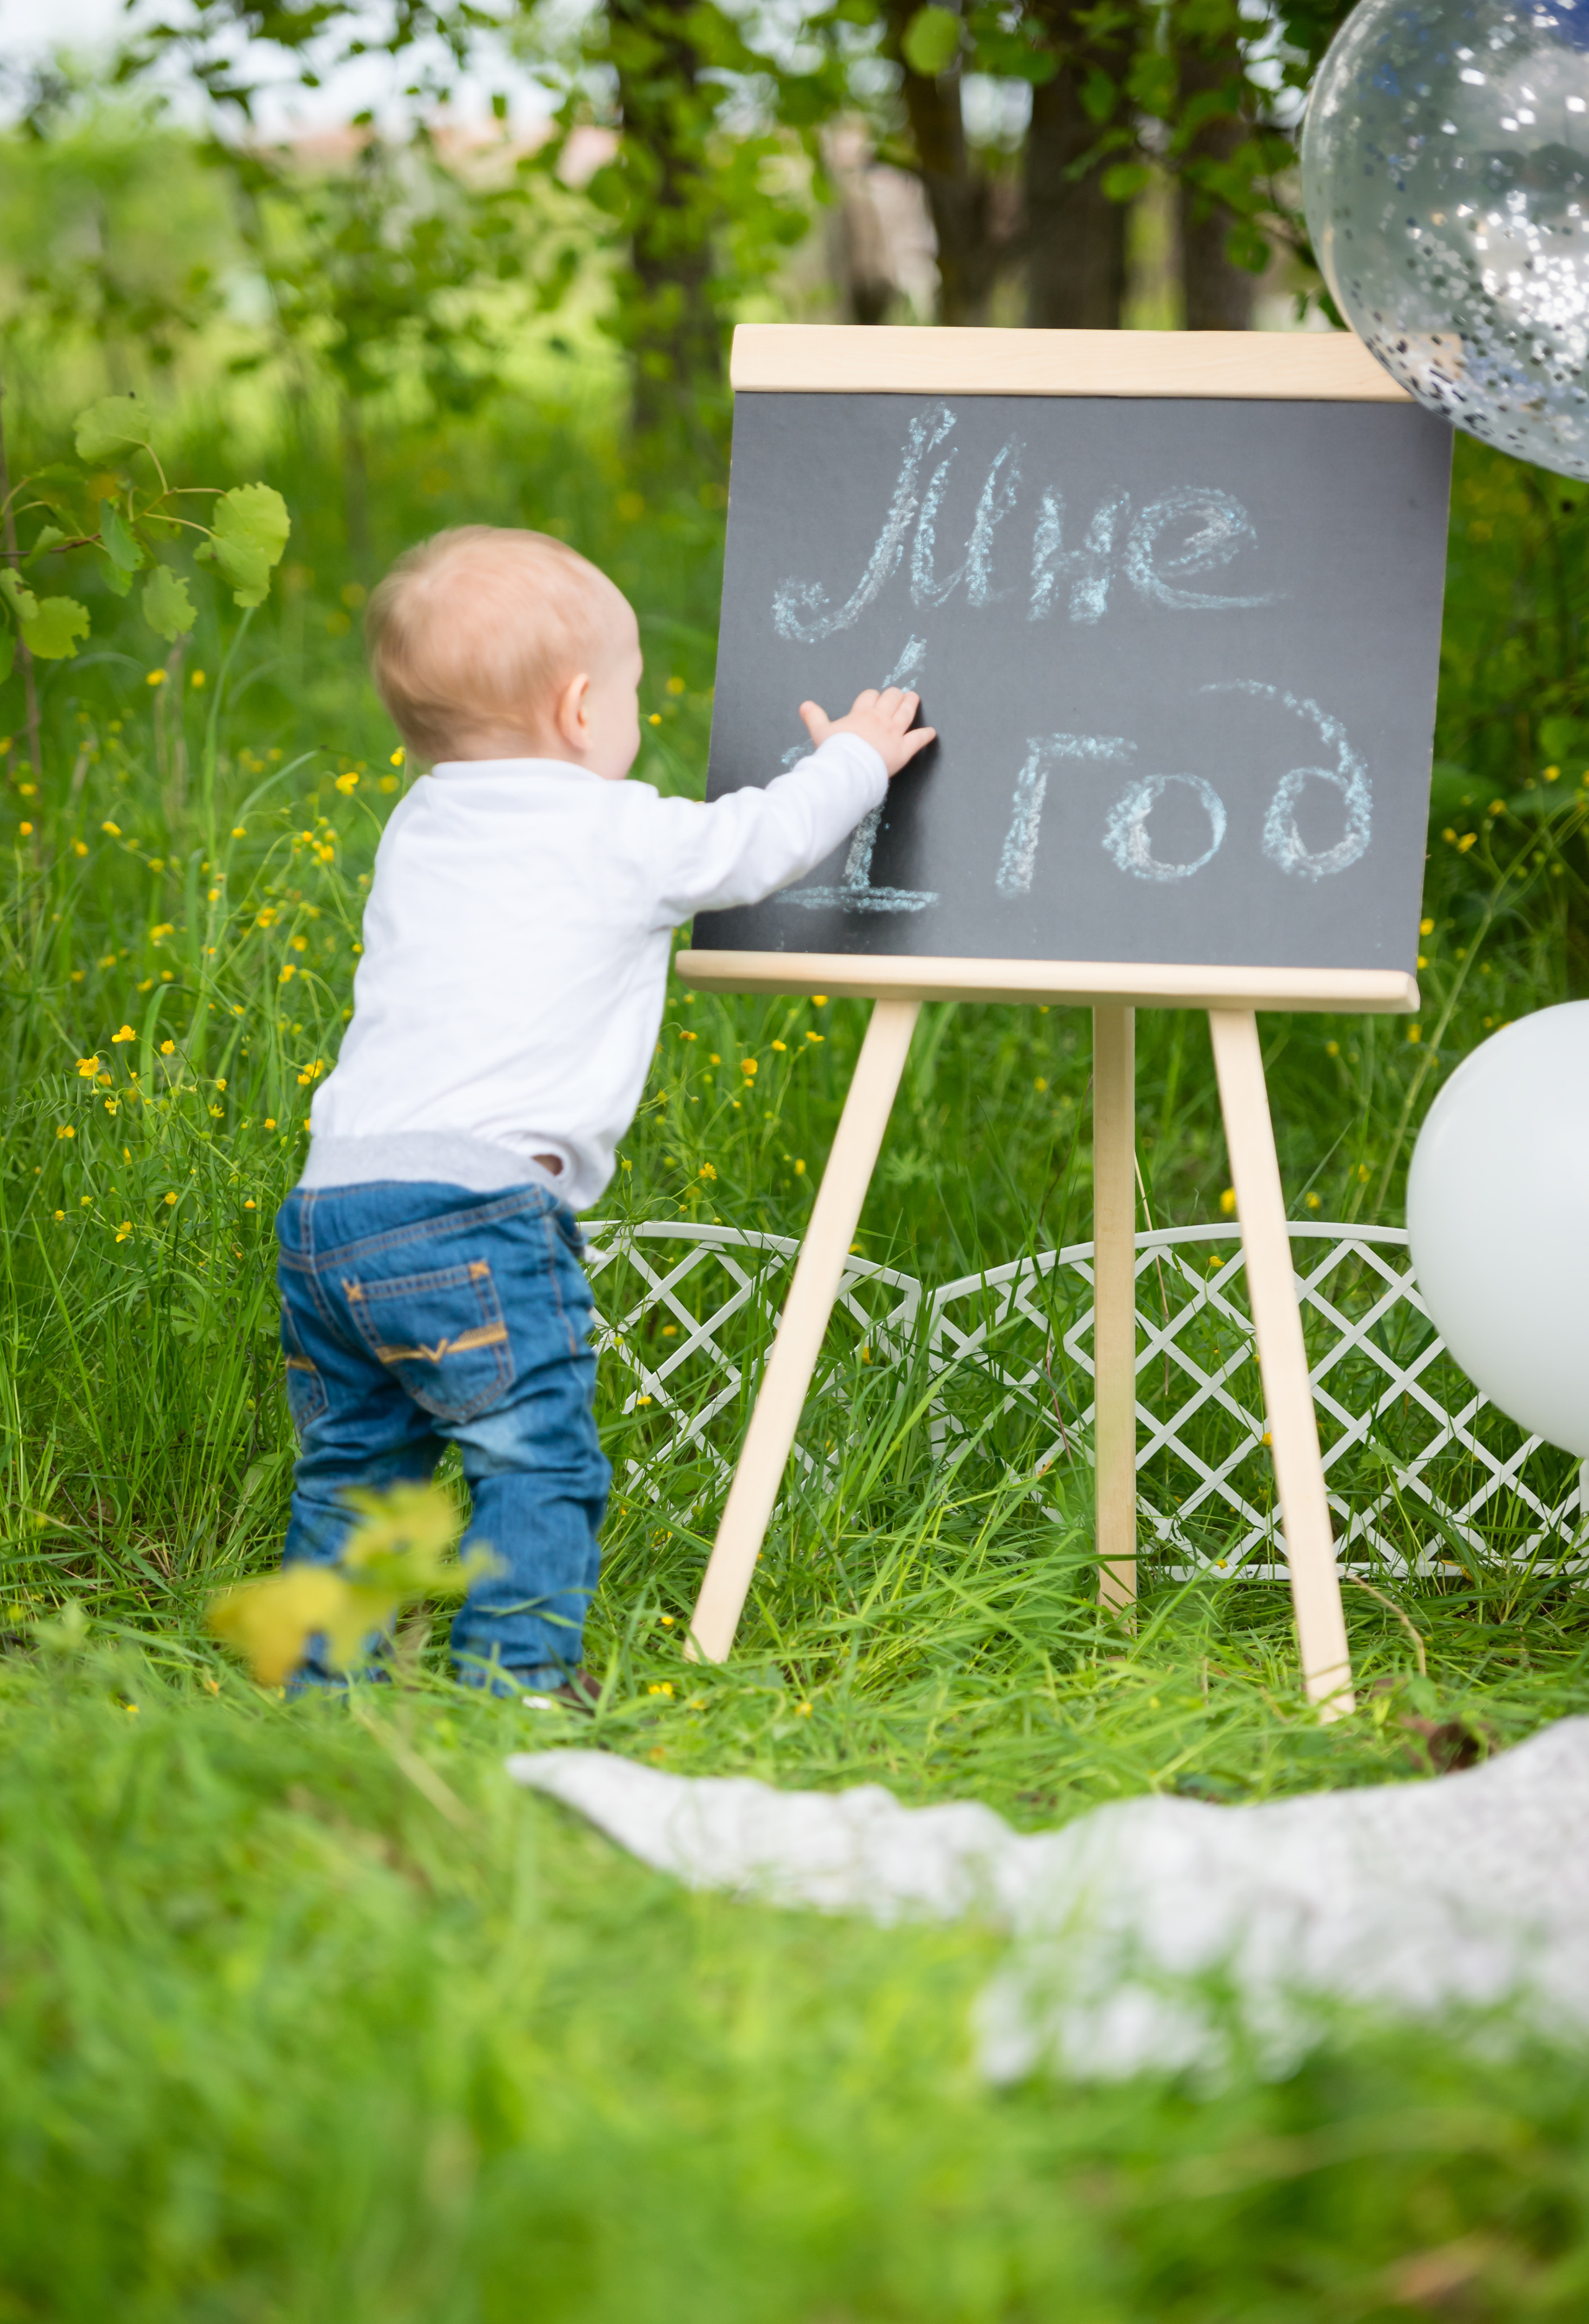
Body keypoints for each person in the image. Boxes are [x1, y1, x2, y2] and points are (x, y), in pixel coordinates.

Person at [274, 523, 936, 1698]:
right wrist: (856, 760)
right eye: (632, 695)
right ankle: (515, 1681)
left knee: (356, 1471)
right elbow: (755, 845)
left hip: (334, 1206)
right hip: (473, 1209)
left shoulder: (419, 825)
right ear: (582, 710)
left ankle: (323, 1687)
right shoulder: (612, 827)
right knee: (537, 1462)